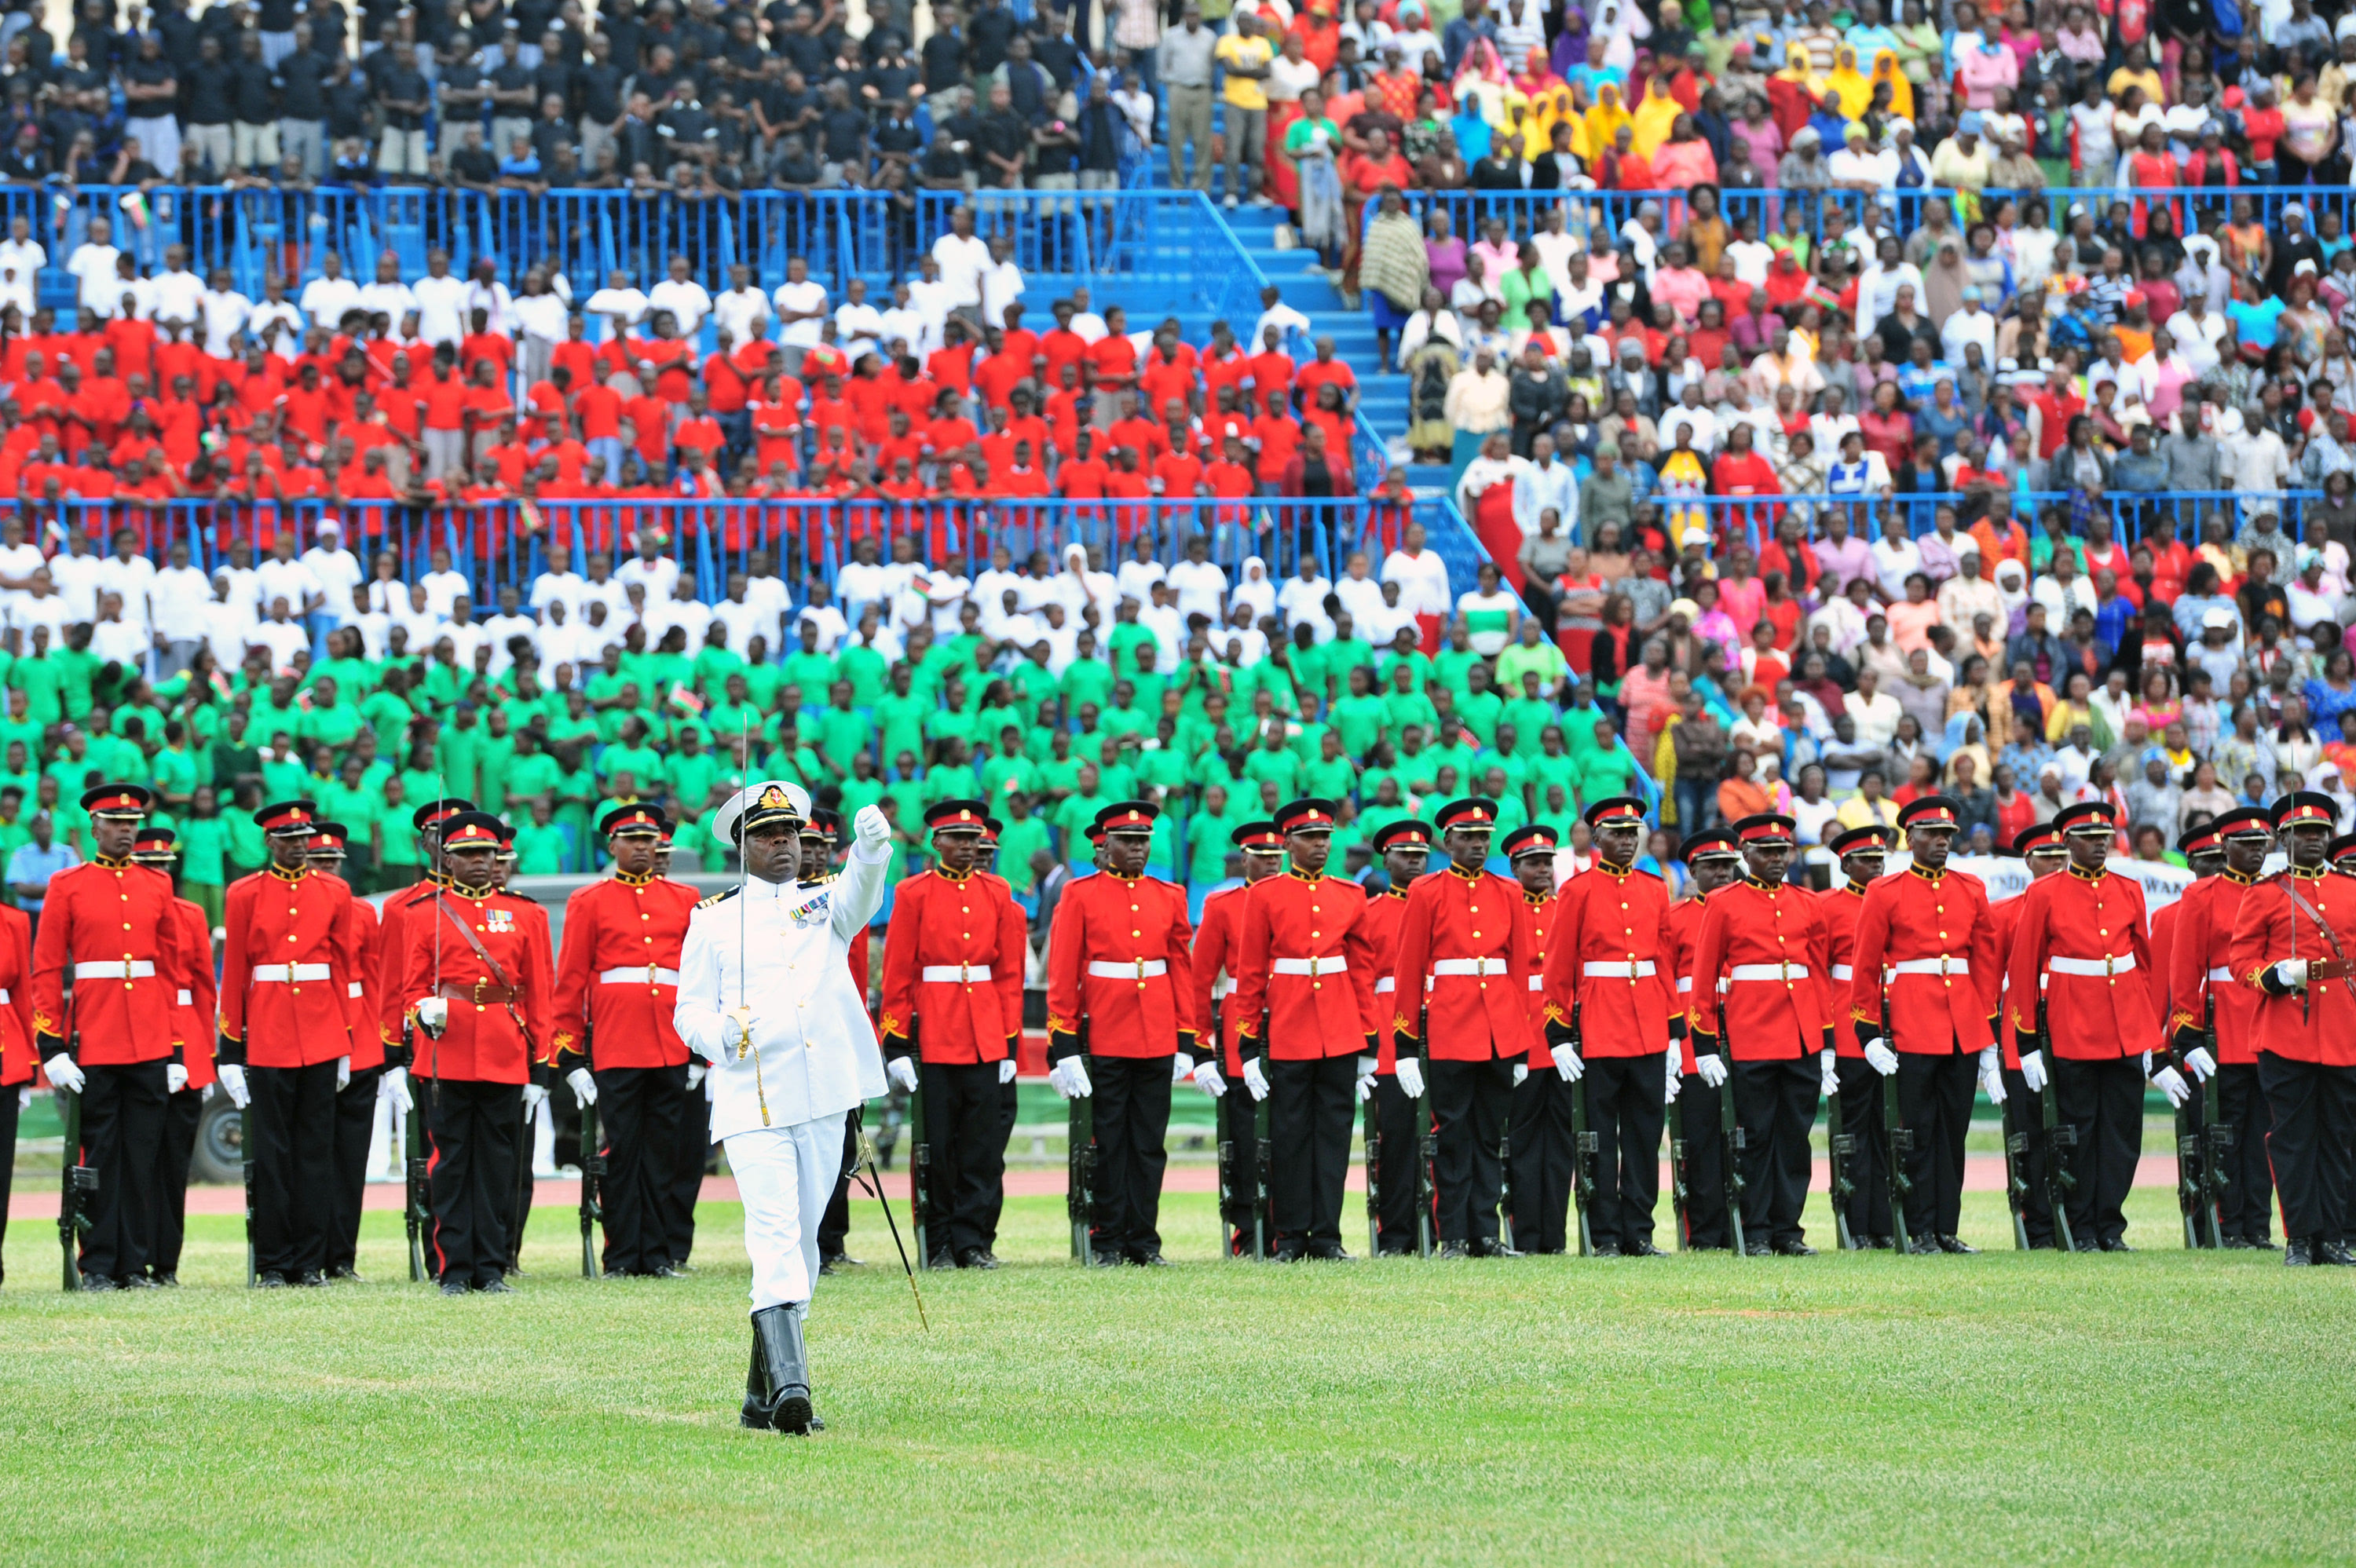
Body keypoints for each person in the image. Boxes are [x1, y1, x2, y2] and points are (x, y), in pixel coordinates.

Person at [676, 781, 890, 1433]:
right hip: (750, 1098)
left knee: (802, 1244)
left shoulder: (823, 904)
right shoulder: (712, 919)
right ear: (742, 846)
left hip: (822, 1092)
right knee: (772, 1235)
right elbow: (688, 1010)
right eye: (769, 836)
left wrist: (871, 851)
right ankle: (793, 1389)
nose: (784, 846)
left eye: (791, 834)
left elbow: (858, 894)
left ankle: (756, 1397)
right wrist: (719, 1036)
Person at [31, 784, 202, 1291]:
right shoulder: (68, 884)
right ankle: (101, 1262)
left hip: (149, 1039)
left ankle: (136, 1263)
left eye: (133, 822)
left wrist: (175, 1048)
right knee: (101, 1154)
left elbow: (169, 971)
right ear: (95, 827)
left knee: (144, 1154)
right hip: (97, 1037)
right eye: (116, 822)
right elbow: (46, 969)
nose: (126, 830)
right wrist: (52, 1047)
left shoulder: (156, 885)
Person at [398, 811, 556, 1294]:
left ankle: (490, 1266)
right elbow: (409, 990)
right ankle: (453, 1269)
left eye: (487, 853)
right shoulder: (426, 913)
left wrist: (540, 1067)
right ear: (447, 859)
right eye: (467, 854)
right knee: (449, 1166)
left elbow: (540, 995)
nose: (480, 862)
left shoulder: (527, 913)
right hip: (446, 1055)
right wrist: (422, 1011)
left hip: (506, 1053)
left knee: (496, 1166)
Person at [215, 799, 367, 1288]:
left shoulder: (335, 891)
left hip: (322, 1032)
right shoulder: (244, 893)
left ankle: (309, 1260)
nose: (299, 846)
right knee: (272, 1153)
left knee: (316, 1152)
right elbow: (236, 971)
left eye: (304, 838)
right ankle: (273, 1261)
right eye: (289, 839)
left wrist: (346, 1041)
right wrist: (230, 1049)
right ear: (270, 842)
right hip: (268, 1033)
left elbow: (343, 968)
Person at [1044, 800, 1201, 1266]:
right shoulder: (1079, 893)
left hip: (1156, 1034)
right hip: (1107, 1032)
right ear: (1106, 844)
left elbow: (1180, 969)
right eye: (1127, 841)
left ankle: (1144, 1241)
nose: (1136, 849)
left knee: (1149, 1144)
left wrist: (1186, 1037)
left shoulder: (1169, 894)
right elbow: (1063, 970)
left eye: (1143, 841)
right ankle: (1108, 1238)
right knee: (1109, 1142)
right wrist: (1064, 1043)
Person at [550, 803, 702, 1278]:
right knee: (622, 1150)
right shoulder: (589, 901)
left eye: (648, 840)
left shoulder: (685, 898)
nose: (642, 847)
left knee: (664, 1154)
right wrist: (570, 1054)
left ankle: (656, 1255)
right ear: (612, 846)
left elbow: (700, 978)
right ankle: (620, 1255)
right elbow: (571, 979)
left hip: (672, 1041)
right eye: (632, 840)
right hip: (618, 1041)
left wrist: (700, 1051)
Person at [879, 799, 1030, 1271]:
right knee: (938, 1147)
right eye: (957, 838)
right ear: (936, 842)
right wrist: (897, 1042)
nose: (967, 846)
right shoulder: (912, 893)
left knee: (981, 1148)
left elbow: (1008, 973)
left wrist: (1007, 1042)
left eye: (974, 839)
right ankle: (939, 1241)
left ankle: (973, 1241)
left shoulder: (998, 890)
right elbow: (899, 971)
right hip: (937, 1031)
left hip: (985, 1032)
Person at [1231, 797, 1382, 1261]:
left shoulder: (1349, 894)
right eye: (1310, 838)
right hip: (1291, 1026)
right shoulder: (1265, 895)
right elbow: (1251, 971)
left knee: (1334, 1137)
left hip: (1338, 1029)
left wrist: (1368, 1039)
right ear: (1289, 843)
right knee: (1290, 1136)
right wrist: (1248, 1041)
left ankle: (1328, 1236)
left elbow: (1362, 970)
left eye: (1326, 838)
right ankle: (1292, 1236)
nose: (1320, 846)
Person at [1848, 795, 2001, 1254]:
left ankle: (1946, 1229)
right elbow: (1866, 965)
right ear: (1909, 838)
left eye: (1947, 835)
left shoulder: (1971, 888)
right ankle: (1918, 1229)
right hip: (1913, 1021)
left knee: (1953, 1130)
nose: (1941, 842)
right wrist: (1868, 1031)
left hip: (1963, 1023)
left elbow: (1986, 961)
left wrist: (1988, 1032)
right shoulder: (1885, 891)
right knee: (1915, 1129)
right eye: (1932, 834)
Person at [2005, 799, 2157, 1252]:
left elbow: (2144, 967)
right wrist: (2026, 1041)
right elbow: (2025, 968)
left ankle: (2111, 1225)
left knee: (2122, 1133)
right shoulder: (2045, 893)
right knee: (2079, 1131)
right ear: (2067, 842)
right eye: (2089, 839)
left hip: (2125, 1025)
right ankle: (2081, 1225)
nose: (2099, 845)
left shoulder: (2130, 889)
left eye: (2104, 838)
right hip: (2073, 1025)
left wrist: (2149, 1032)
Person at [1389, 795, 1536, 1258]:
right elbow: (1409, 969)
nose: (1476, 845)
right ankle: (1452, 1233)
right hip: (1451, 1025)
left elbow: (1519, 972)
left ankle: (1485, 1233)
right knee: (1452, 1133)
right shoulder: (1426, 891)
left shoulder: (1508, 891)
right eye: (1467, 838)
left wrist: (1521, 1045)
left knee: (1491, 1133)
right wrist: (1405, 1044)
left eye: (1483, 838)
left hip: (1498, 1029)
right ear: (1447, 841)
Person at [1687, 812, 1835, 1256]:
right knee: (1754, 1136)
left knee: (1794, 1137)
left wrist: (1825, 1041)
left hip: (1801, 1033)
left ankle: (1788, 1229)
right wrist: (1704, 1044)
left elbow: (1819, 975)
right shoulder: (1724, 902)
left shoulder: (1808, 902)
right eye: (1765, 851)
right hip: (1752, 1031)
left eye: (1781, 851)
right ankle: (1754, 1230)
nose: (1775, 858)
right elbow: (1704, 975)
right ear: (1744, 855)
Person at [2226, 791, 2356, 1267]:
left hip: (2343, 1028)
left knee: (2338, 1135)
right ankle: (2301, 1236)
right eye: (2303, 834)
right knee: (2293, 1138)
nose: (2314, 840)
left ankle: (2335, 1237)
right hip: (2286, 1028)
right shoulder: (2264, 893)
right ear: (2285, 839)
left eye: (2321, 833)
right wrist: (2274, 975)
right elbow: (2240, 960)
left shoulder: (2350, 888)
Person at [1542, 797, 1675, 1255]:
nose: (1625, 841)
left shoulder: (1655, 888)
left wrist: (1674, 1031)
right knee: (1599, 1134)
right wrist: (1557, 1034)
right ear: (1596, 838)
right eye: (1615, 833)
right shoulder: (1576, 890)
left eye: (1631, 833)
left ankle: (1639, 1230)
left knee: (1643, 1134)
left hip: (1649, 1023)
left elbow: (1664, 962)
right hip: (1599, 1022)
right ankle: (1604, 1235)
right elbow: (1558, 966)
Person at [2163, 807, 2274, 1248]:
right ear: (2224, 847)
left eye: (2261, 843)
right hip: (2222, 1027)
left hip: (2268, 1023)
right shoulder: (2203, 896)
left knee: (2262, 1134)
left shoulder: (2276, 892)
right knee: (2224, 1133)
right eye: (2245, 844)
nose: (2255, 851)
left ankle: (2258, 1226)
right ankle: (2227, 1225)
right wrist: (2186, 1033)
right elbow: (2184, 969)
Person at [1188, 819, 1283, 1255]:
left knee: (1290, 1129)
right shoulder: (1223, 904)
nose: (1268, 865)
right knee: (1244, 1135)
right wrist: (1199, 1044)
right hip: (1238, 1026)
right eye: (1260, 858)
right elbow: (1200, 978)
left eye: (1275, 858)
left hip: (1291, 1020)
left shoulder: (1298, 898)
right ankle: (1247, 1228)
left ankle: (1290, 1224)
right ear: (1243, 859)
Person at [302, 819, 390, 1282]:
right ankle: (308, 1252)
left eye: (333, 861)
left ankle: (341, 1256)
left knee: (350, 1158)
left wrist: (378, 1042)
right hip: (314, 1037)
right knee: (311, 1154)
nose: (329, 869)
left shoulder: (361, 913)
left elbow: (374, 981)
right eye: (319, 861)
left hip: (359, 1045)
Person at [130, 825, 218, 1288]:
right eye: (150, 866)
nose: (160, 874)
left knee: (172, 1165)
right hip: (142, 1039)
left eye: (165, 866)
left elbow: (203, 988)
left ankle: (166, 1262)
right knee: (137, 1159)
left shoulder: (190, 914)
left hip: (187, 1049)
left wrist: (206, 1054)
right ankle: (133, 1255)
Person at [1816, 824, 1895, 1248]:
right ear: (1846, 864)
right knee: (1853, 1132)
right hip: (1848, 1027)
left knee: (1889, 1130)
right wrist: (1827, 1039)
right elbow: (1821, 975)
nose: (1876, 866)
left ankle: (1884, 1223)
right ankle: (1854, 1225)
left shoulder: (1896, 898)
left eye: (1880, 859)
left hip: (1892, 1026)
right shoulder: (1828, 906)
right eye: (1867, 860)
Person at [1665, 828, 1743, 1250]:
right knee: (1701, 1138)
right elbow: (1666, 981)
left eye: (1728, 866)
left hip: (1746, 1032)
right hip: (1696, 1039)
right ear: (1693, 870)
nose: (1722, 874)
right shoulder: (1675, 917)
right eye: (1712, 867)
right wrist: (1675, 1040)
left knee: (1745, 1135)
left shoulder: (1748, 909)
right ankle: (1706, 1231)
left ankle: (1748, 1223)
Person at [1358, 819, 1433, 1255]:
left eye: (1421, 855)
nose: (1415, 861)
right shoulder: (1370, 913)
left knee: (1446, 1134)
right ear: (1386, 860)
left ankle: (1445, 1229)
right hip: (1389, 1036)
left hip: (1444, 1028)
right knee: (1399, 1138)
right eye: (1405, 854)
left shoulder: (1443, 902)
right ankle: (1398, 1235)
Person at [1502, 824, 1568, 1255]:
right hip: (1523, 1039)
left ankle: (1555, 1236)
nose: (1543, 870)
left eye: (1548, 862)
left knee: (1562, 1141)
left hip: (1561, 1042)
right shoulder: (1506, 909)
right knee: (1522, 1142)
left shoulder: (1563, 908)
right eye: (1534, 863)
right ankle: (1526, 1234)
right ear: (1515, 867)